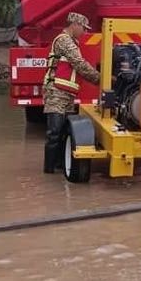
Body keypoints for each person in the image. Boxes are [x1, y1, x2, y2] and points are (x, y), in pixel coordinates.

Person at [43, 12, 100, 174]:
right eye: (83, 27)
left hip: (66, 93)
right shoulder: (64, 41)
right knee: (54, 132)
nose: (84, 32)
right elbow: (79, 64)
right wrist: (101, 79)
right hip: (56, 92)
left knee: (63, 132)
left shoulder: (72, 42)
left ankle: (60, 165)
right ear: (74, 24)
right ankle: (49, 170)